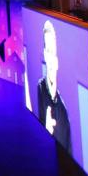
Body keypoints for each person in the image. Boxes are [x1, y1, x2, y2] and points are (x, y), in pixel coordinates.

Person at [37, 20, 71, 152]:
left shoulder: (63, 111)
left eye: (53, 52)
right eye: (48, 50)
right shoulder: (40, 88)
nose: (51, 57)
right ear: (44, 53)